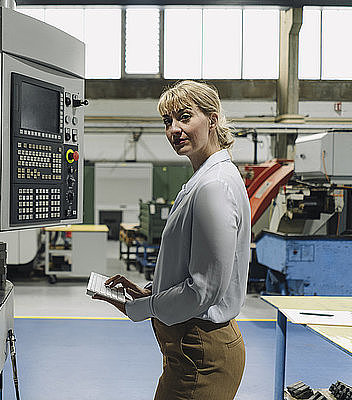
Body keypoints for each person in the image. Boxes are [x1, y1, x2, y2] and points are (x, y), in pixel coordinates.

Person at [93, 80, 251, 400]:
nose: (174, 129)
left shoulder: (213, 187)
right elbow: (195, 268)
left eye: (184, 116)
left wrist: (142, 306)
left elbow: (203, 290)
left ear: (213, 118)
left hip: (200, 355)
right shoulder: (206, 179)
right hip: (193, 350)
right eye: (168, 121)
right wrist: (152, 291)